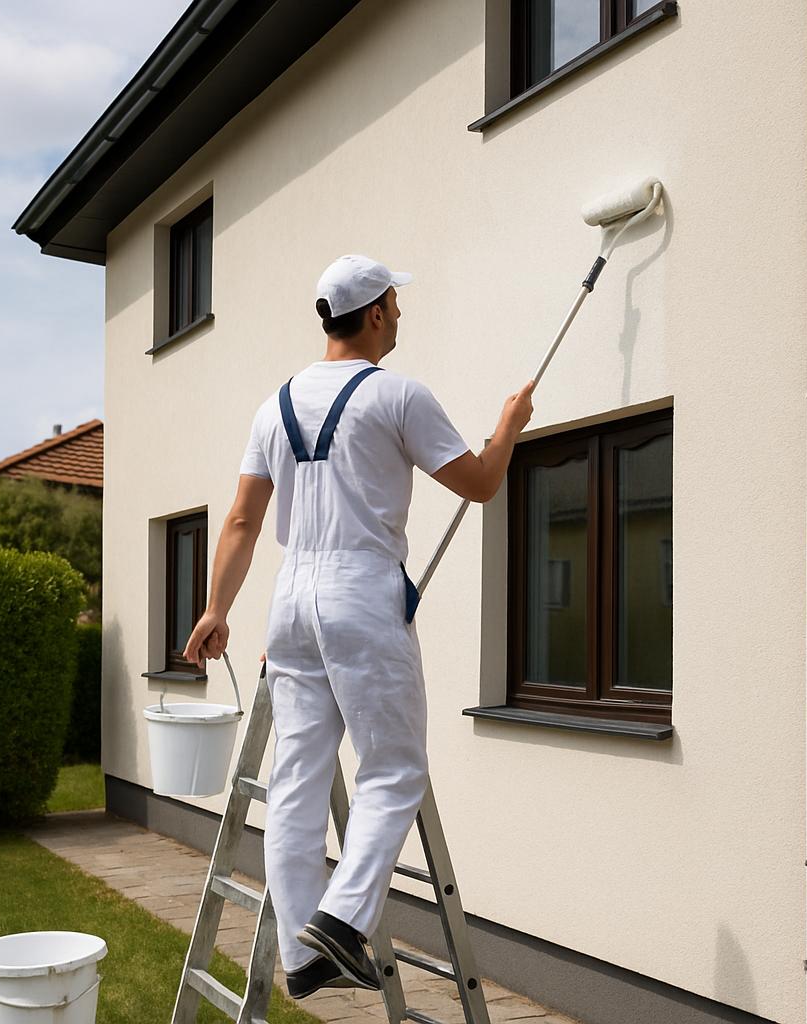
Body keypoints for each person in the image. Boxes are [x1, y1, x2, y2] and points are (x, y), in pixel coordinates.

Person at [183, 254, 535, 1000]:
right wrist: (507, 428)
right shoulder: (398, 396)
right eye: (396, 306)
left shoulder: (273, 405)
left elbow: (243, 520)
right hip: (361, 596)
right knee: (395, 769)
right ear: (374, 313)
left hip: (290, 603)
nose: (401, 317)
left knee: (298, 779)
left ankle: (302, 955)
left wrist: (217, 610)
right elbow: (479, 483)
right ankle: (341, 923)